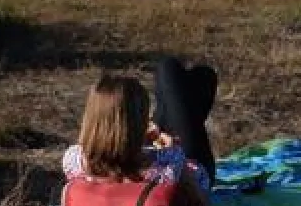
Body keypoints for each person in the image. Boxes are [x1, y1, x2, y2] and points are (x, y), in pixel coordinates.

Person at [62, 57, 218, 194]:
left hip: (129, 154)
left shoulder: (74, 160)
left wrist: (140, 140)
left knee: (173, 76)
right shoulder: (167, 168)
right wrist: (170, 149)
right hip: (195, 171)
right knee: (180, 71)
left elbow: (115, 161)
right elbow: (194, 182)